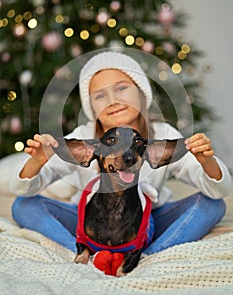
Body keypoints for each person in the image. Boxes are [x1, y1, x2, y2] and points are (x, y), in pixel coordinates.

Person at [10, 51, 232, 255]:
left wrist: (206, 161)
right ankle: (80, 253)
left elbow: (219, 188)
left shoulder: (161, 134)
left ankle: (149, 254)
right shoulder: (83, 136)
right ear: (91, 108)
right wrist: (37, 162)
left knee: (213, 205)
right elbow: (23, 188)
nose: (113, 100)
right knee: (23, 205)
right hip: (90, 221)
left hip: (149, 219)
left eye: (121, 88)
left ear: (141, 91)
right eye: (99, 96)